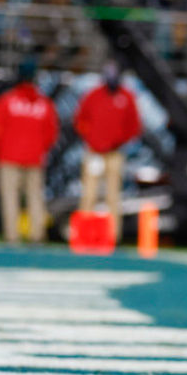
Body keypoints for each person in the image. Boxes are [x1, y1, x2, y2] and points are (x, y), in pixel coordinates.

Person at [0, 60, 59, 245]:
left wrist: (2, 149)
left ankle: (12, 237)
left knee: (10, 198)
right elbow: (51, 133)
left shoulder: (7, 100)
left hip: (9, 157)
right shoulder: (44, 103)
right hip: (34, 158)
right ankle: (37, 236)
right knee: (35, 198)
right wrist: (38, 149)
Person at [73, 62, 141, 241]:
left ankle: (112, 237)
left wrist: (118, 141)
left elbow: (134, 126)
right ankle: (82, 235)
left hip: (114, 153)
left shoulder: (126, 96)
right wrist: (92, 140)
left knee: (113, 196)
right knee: (88, 194)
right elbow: (80, 120)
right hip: (94, 152)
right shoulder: (94, 95)